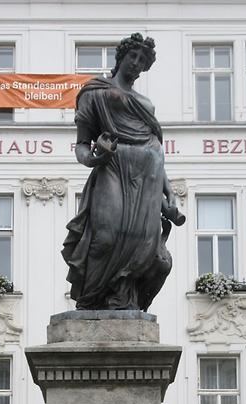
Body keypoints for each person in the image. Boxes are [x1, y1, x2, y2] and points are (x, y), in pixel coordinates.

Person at [62, 33, 185, 311]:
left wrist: (167, 193)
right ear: (121, 57)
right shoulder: (95, 92)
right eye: (133, 56)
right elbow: (82, 145)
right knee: (105, 236)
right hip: (113, 167)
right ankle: (90, 300)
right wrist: (95, 158)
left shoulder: (145, 103)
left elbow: (155, 147)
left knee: (141, 241)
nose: (136, 63)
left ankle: (122, 298)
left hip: (149, 175)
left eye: (142, 60)